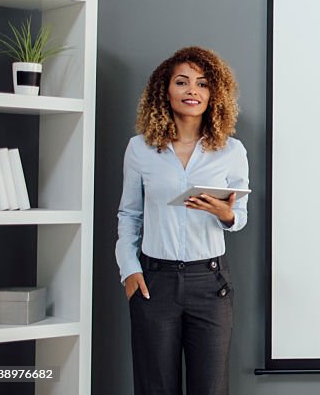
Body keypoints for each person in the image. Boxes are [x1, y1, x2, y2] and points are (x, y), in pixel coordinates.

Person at [115, 46, 249, 395]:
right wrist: (129, 269)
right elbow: (129, 213)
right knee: (155, 387)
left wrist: (226, 214)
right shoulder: (140, 149)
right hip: (153, 282)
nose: (193, 90)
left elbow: (240, 215)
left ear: (213, 94)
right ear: (165, 90)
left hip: (210, 282)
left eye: (202, 84)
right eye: (182, 82)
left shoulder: (231, 151)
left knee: (211, 388)